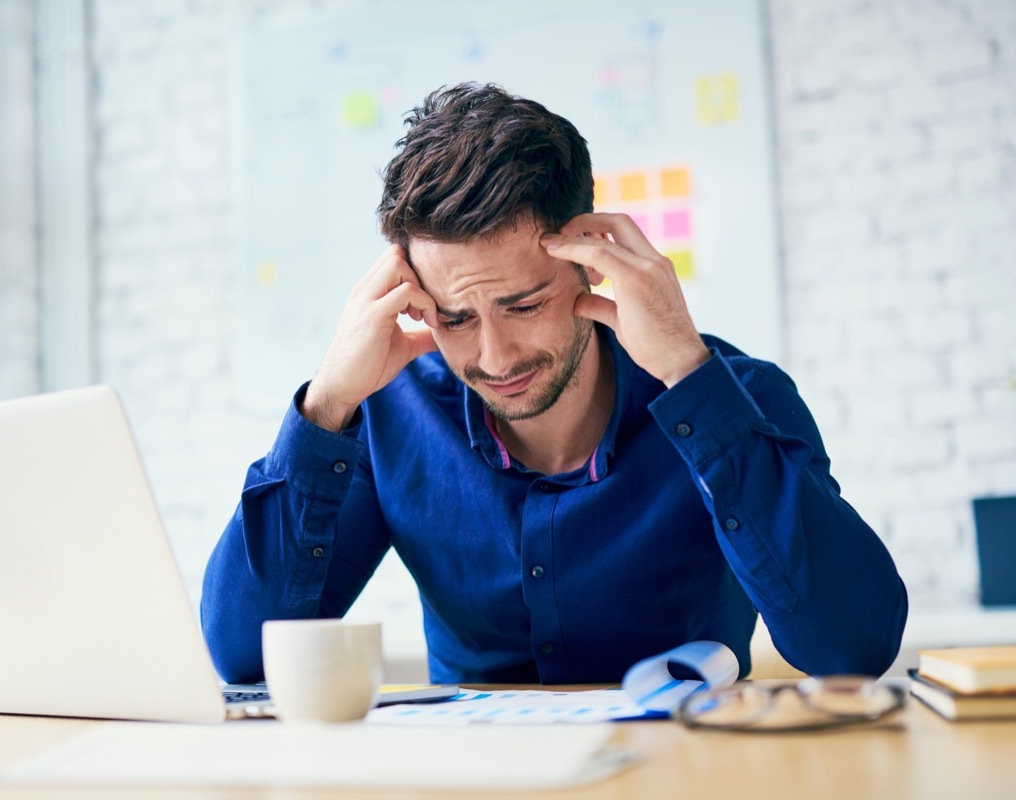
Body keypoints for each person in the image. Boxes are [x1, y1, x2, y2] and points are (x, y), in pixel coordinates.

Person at [201, 82, 907, 685]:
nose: (495, 355)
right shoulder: (392, 415)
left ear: (591, 263)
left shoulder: (734, 398)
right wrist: (326, 405)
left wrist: (689, 374)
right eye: (455, 316)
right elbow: (243, 655)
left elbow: (851, 649)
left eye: (524, 305)